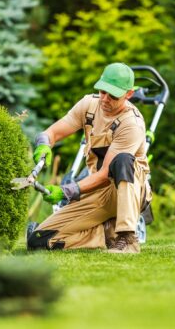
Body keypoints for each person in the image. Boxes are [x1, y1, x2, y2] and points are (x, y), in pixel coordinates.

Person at [27, 63, 151, 254]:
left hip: (126, 191)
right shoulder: (89, 105)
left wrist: (65, 191)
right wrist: (44, 143)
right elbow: (53, 132)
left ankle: (127, 238)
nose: (105, 99)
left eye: (113, 95)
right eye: (102, 92)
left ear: (129, 94)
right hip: (96, 192)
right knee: (38, 241)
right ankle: (105, 232)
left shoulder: (131, 123)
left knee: (123, 160)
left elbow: (104, 175)